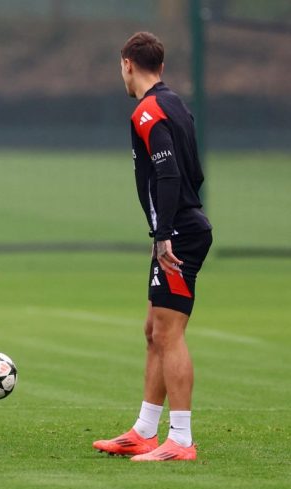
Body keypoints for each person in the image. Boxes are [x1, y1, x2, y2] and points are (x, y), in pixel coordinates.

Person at [93, 32, 213, 461]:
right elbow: (192, 170)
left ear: (127, 63)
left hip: (177, 233)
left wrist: (163, 233)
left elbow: (168, 174)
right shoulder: (176, 104)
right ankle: (144, 430)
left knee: (169, 334)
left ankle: (180, 439)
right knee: (153, 331)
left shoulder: (147, 112)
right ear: (159, 66)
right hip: (179, 228)